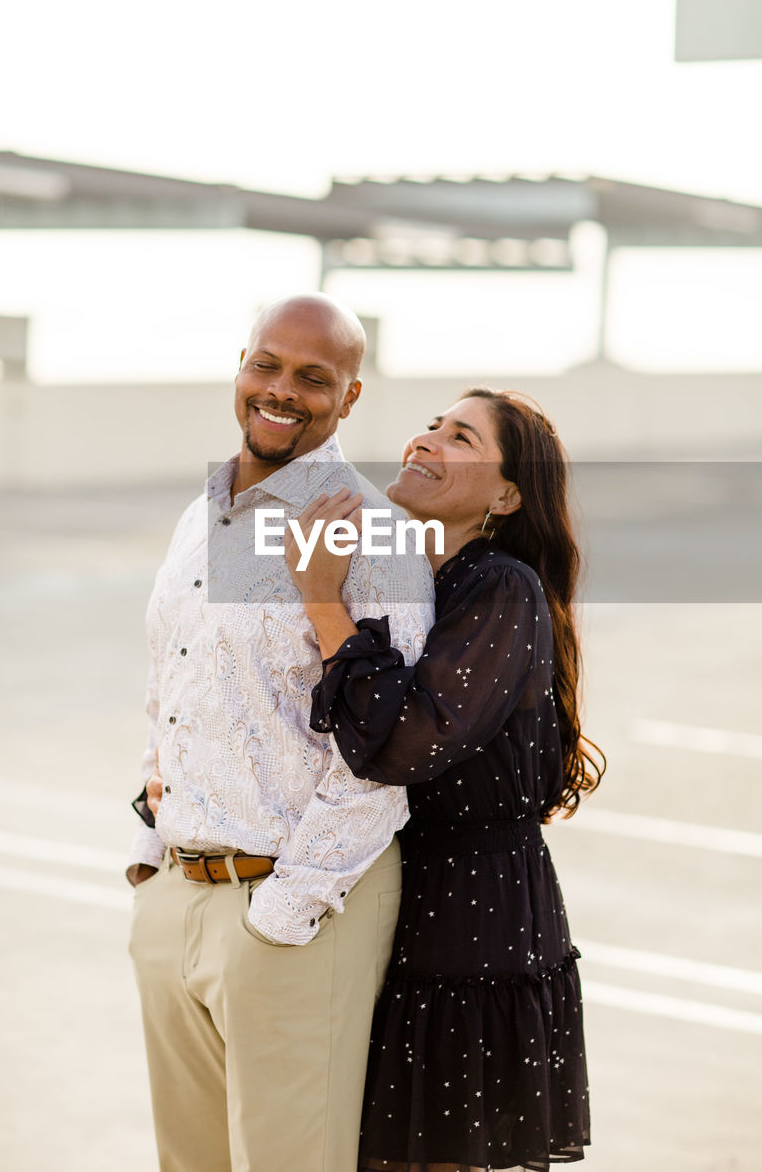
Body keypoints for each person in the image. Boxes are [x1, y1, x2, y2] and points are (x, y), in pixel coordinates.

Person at [126, 293, 434, 1172]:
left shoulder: (367, 529)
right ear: (240, 367)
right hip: (179, 894)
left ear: (350, 397)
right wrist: (152, 856)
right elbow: (170, 681)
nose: (281, 390)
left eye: (313, 377)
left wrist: (283, 915)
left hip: (295, 914)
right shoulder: (204, 515)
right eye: (266, 364)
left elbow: (385, 750)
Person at [282, 388, 604, 1172]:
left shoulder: (499, 586)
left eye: (459, 435)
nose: (425, 439)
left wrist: (321, 600)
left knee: (431, 1155)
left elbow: (402, 745)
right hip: (392, 896)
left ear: (504, 495)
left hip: (473, 920)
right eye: (429, 424)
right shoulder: (402, 576)